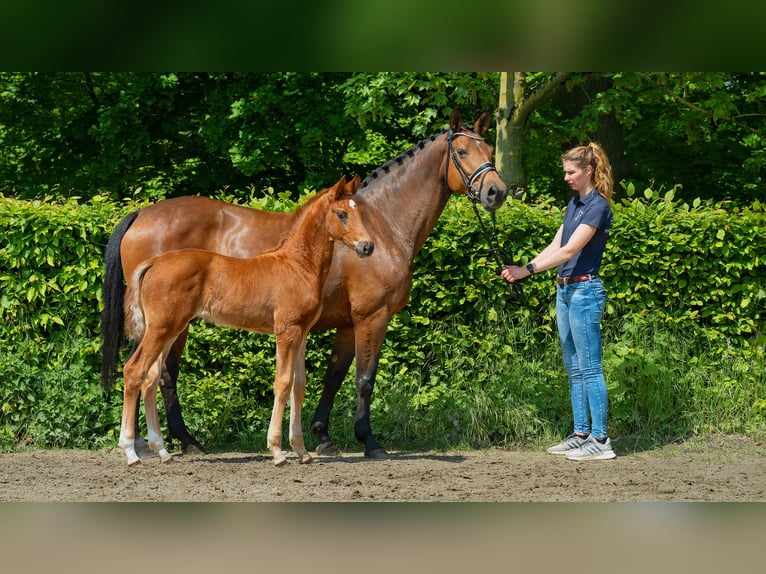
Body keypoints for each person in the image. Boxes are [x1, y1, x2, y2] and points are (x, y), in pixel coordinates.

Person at [501, 142, 616, 461]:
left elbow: (570, 251)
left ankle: (602, 440)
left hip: (585, 292)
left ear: (588, 171)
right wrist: (521, 269)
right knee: (574, 367)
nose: (566, 177)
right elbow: (557, 243)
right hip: (564, 292)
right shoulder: (574, 205)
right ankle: (581, 434)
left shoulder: (598, 206)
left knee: (590, 367)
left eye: (571, 172)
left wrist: (527, 270)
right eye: (565, 172)